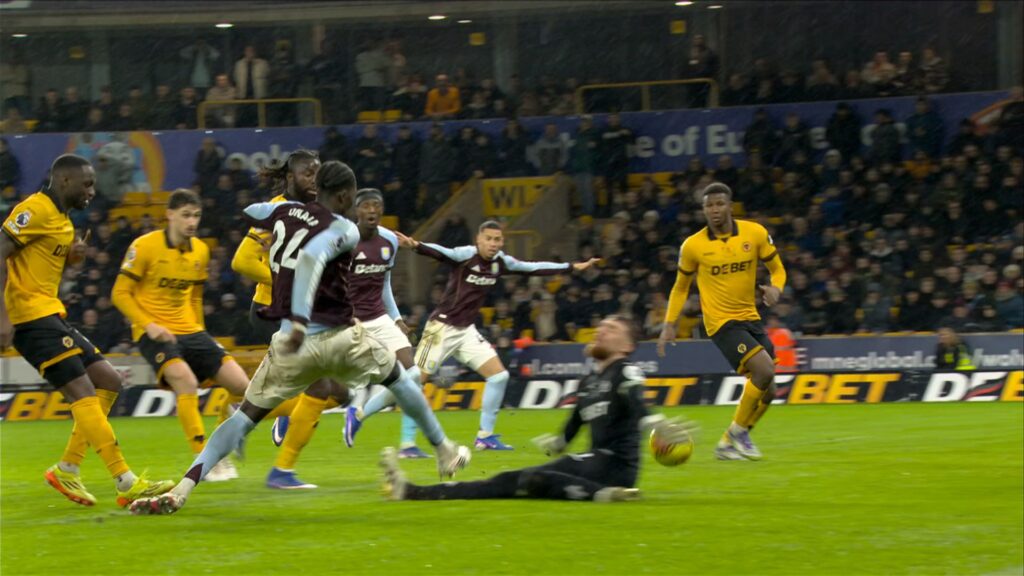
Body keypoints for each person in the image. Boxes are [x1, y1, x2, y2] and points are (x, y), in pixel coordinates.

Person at [129, 161, 471, 515]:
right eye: (353, 196)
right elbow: (311, 257)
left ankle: (183, 489)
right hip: (338, 337)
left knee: (244, 416)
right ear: (343, 195)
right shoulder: (346, 229)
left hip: (290, 349)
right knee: (401, 379)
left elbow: (253, 210)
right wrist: (298, 319)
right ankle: (444, 450)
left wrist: (282, 202)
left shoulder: (283, 211)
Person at [0, 154, 174, 507]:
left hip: (50, 314)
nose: (93, 191)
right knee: (83, 391)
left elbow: (38, 261)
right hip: (28, 318)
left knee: (109, 380)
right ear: (65, 181)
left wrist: (72, 256)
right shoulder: (34, 209)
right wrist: (2, 317)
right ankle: (125, 480)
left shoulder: (63, 220)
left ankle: (67, 468)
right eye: (87, 183)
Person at [380, 315, 696, 502]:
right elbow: (570, 432)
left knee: (526, 481)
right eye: (600, 326)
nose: (601, 330)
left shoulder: (626, 371)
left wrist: (655, 422)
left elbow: (636, 401)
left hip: (615, 466)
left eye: (611, 329)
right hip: (594, 463)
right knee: (517, 480)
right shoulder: (589, 381)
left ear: (627, 346)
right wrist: (555, 442)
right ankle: (413, 492)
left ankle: (603, 494)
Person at [348, 221, 601, 450]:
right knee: (413, 383)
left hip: (466, 331)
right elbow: (441, 252)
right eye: (488, 239)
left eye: (497, 240)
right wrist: (416, 246)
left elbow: (533, 268)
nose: (493, 244)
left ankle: (485, 436)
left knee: (499, 376)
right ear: (479, 240)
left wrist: (571, 267)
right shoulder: (465, 256)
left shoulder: (500, 262)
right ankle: (373, 422)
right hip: (440, 329)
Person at [267, 188, 424, 490]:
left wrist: (396, 318)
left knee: (414, 373)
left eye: (377, 205)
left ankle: (359, 414)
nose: (372, 210)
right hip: (347, 318)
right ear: (355, 210)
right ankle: (292, 411)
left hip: (378, 317)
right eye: (365, 205)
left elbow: (384, 283)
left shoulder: (390, 240)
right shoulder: (341, 239)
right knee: (334, 391)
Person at [229, 150, 350, 490]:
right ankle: (281, 471)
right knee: (323, 385)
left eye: (317, 172)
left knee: (341, 391)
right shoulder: (277, 209)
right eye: (307, 173)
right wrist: (283, 279)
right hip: (273, 310)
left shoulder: (320, 209)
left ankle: (263, 417)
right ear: (291, 177)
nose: (314, 179)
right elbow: (241, 261)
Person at [111, 189, 251, 481]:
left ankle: (223, 440)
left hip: (192, 331)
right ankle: (204, 460)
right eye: (186, 215)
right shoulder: (144, 246)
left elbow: (196, 297)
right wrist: (147, 324)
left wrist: (199, 329)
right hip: (155, 333)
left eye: (196, 215)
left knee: (243, 387)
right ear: (170, 214)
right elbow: (119, 293)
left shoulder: (201, 250)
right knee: (185, 382)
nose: (192, 222)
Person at [658, 182, 786, 461]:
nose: (714, 210)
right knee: (763, 371)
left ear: (730, 206)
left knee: (769, 388)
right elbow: (681, 287)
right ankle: (739, 433)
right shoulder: (693, 246)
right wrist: (669, 323)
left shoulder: (755, 233)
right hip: (720, 323)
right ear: (703, 210)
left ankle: (728, 443)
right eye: (709, 205)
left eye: (719, 204)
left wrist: (776, 288)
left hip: (750, 318)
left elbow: (777, 269)